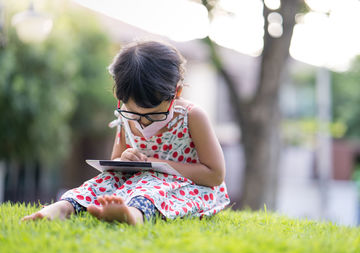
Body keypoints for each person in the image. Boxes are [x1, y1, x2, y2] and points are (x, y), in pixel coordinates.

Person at [22, 40, 230, 225]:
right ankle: (64, 208)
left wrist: (161, 166)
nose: (142, 121)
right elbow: (116, 162)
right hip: (139, 182)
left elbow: (215, 175)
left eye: (153, 115)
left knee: (152, 186)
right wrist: (126, 158)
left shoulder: (191, 116)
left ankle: (133, 214)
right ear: (118, 96)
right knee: (100, 182)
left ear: (176, 92)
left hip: (189, 189)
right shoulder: (124, 114)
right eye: (134, 114)